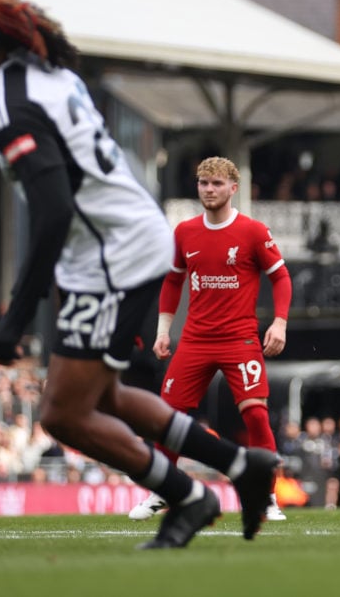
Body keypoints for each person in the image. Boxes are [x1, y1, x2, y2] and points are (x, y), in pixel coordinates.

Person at [0, 0, 277, 548]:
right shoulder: (55, 76)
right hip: (111, 246)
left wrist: (16, 315)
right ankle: (241, 469)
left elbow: (51, 211)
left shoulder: (7, 95)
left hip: (112, 254)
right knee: (102, 399)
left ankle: (191, 495)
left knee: (62, 414)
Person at [128, 156, 291, 522]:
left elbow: (281, 278)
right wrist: (162, 330)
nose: (209, 189)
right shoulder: (185, 232)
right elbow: (172, 281)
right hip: (196, 340)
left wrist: (279, 323)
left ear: (233, 188)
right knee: (167, 419)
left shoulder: (253, 232)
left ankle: (266, 497)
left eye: (216, 183)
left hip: (240, 340)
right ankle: (162, 491)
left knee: (256, 417)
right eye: (203, 183)